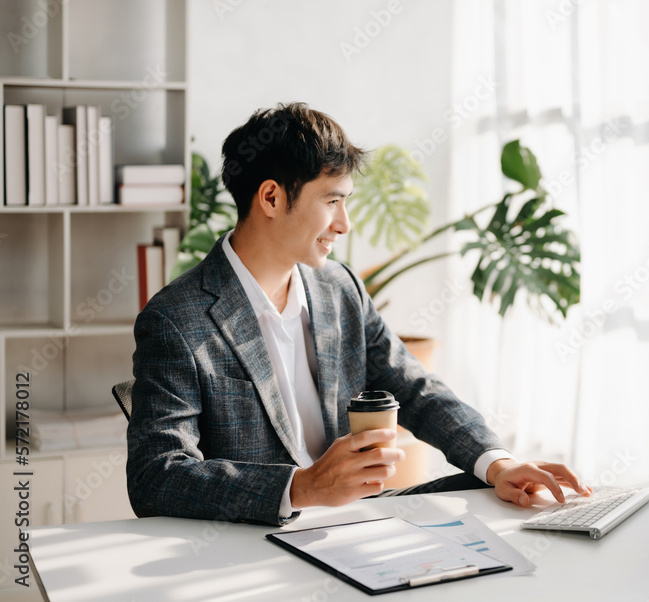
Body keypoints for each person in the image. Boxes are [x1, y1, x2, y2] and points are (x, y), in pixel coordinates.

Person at [126, 102, 590, 526]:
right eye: (331, 201)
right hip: (257, 540)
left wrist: (497, 461)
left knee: (508, 509)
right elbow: (156, 475)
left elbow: (413, 387)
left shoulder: (338, 288)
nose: (344, 223)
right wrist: (303, 487)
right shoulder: (176, 320)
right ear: (270, 198)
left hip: (355, 527)